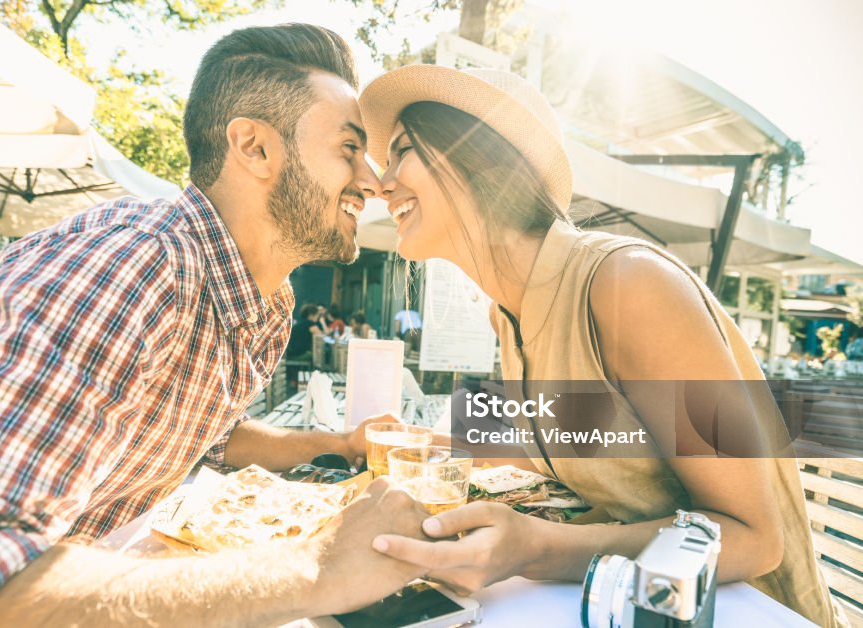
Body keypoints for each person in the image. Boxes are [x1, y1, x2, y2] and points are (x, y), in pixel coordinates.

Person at [0, 25, 429, 626]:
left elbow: (206, 435)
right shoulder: (130, 268)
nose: (374, 182)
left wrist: (339, 443)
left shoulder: (262, 300)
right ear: (254, 148)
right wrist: (316, 568)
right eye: (349, 149)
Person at [358, 65, 842, 626]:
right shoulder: (506, 313)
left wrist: (534, 547)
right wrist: (432, 444)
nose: (380, 182)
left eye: (401, 153)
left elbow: (754, 539)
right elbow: (597, 445)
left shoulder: (629, 285)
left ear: (479, 161)